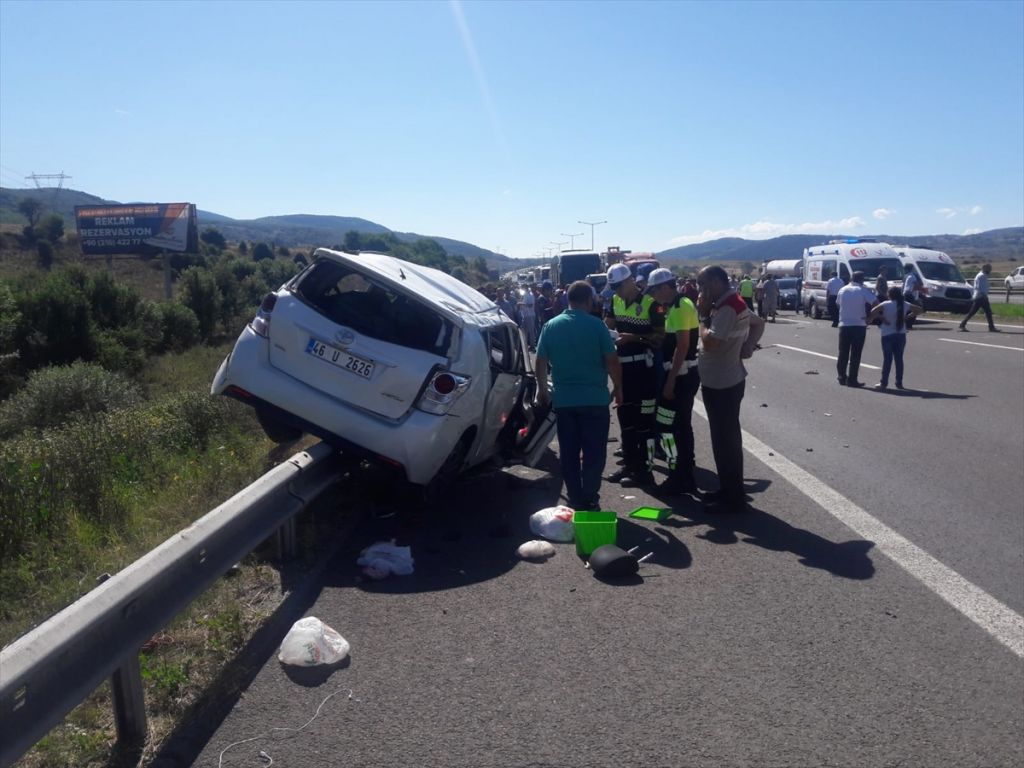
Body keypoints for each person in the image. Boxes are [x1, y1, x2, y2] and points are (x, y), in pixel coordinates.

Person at [535, 281, 623, 511]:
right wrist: (618, 388)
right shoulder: (597, 326)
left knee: (570, 452)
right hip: (595, 400)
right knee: (594, 452)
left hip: (565, 401)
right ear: (588, 300)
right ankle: (590, 495)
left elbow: (540, 360)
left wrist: (542, 389)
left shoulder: (551, 326)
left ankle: (575, 496)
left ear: (569, 299)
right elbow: (612, 360)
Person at [696, 265, 765, 511]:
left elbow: (712, 343)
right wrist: (747, 346)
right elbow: (758, 323)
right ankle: (728, 489)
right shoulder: (732, 302)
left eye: (702, 284)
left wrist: (703, 316)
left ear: (715, 282)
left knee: (726, 442)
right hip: (723, 379)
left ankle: (733, 496)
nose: (700, 290)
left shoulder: (726, 307)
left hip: (723, 383)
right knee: (723, 440)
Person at [604, 263, 665, 487]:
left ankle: (645, 471)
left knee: (645, 424)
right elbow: (607, 326)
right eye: (614, 287)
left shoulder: (652, 304)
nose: (618, 291)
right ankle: (630, 465)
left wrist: (634, 338)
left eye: (620, 286)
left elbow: (660, 338)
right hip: (622, 370)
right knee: (625, 420)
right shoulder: (615, 300)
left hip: (644, 370)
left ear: (631, 281)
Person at [648, 268, 701, 495]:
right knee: (676, 426)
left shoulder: (680, 306)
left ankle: (680, 476)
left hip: (680, 376)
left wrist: (669, 382)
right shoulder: (677, 305)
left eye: (653, 290)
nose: (652, 295)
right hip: (680, 374)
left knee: (671, 427)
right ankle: (683, 473)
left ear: (664, 287)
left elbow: (683, 346)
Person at [868, 286, 922, 390]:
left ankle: (883, 382)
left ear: (889, 295)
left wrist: (882, 318)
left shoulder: (885, 304)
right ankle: (899, 382)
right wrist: (908, 316)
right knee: (899, 359)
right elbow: (919, 310)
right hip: (901, 334)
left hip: (887, 334)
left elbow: (873, 311)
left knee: (887, 359)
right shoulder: (904, 304)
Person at [835, 271, 877, 387]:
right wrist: (871, 317)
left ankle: (841, 376)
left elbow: (838, 304)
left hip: (844, 324)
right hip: (859, 324)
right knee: (855, 354)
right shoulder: (863, 290)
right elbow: (876, 303)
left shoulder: (842, 290)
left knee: (843, 352)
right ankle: (852, 379)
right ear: (861, 280)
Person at [958, 263, 1000, 332]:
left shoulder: (981, 275)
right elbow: (981, 287)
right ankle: (991, 327)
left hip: (978, 296)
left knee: (973, 312)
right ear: (984, 268)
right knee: (988, 312)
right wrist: (984, 295)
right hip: (981, 297)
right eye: (989, 269)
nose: (990, 270)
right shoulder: (982, 276)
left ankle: (962, 324)